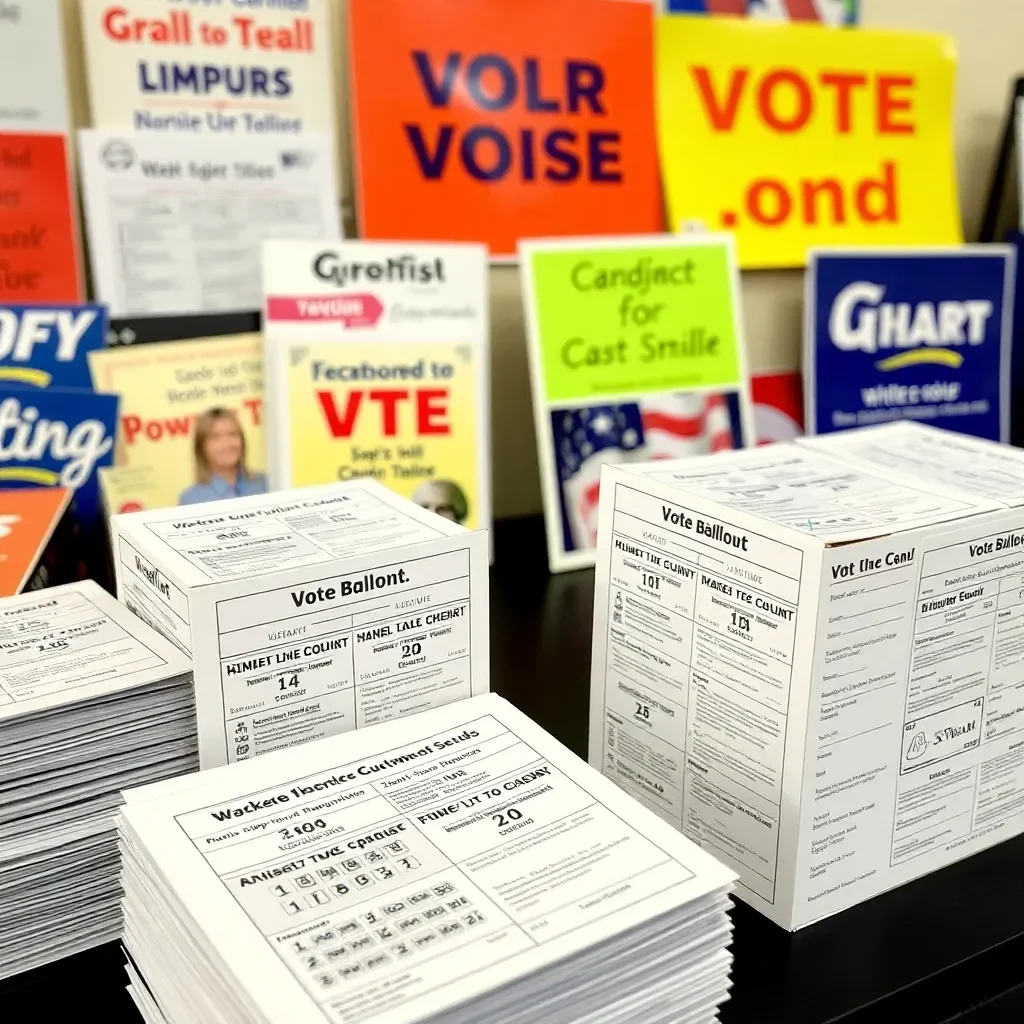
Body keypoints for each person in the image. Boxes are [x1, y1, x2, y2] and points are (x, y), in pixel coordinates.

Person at [178, 408, 268, 505]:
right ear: (202, 447)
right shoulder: (191, 499)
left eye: (232, 434)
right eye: (216, 437)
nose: (227, 444)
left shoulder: (265, 483)